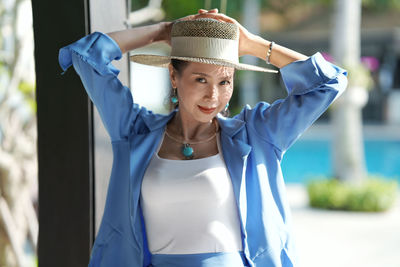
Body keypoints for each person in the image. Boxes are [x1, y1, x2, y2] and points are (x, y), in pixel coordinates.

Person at [59, 9, 347, 267]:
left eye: (224, 82)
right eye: (200, 79)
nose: (213, 96)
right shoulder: (134, 131)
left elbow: (328, 83)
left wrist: (254, 45)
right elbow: (86, 56)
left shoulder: (257, 134)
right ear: (174, 76)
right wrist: (162, 32)